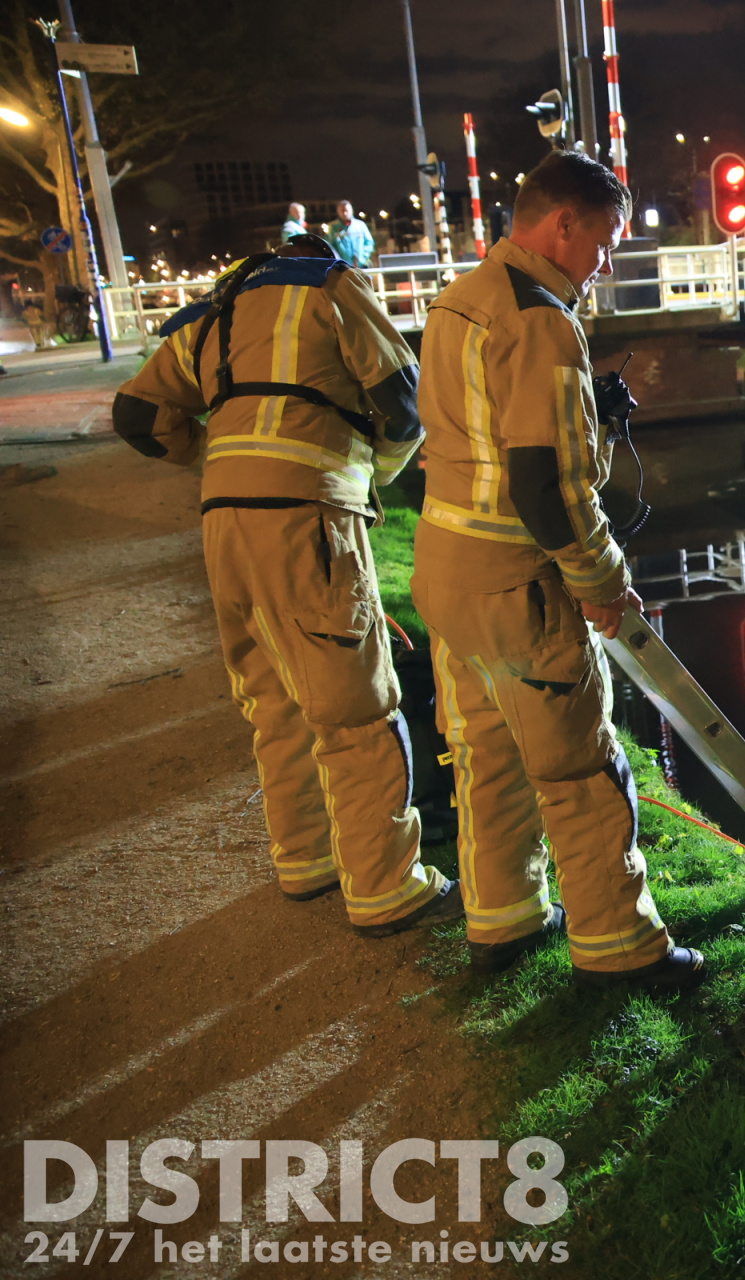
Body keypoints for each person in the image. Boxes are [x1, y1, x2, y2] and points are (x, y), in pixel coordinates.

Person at [109, 233, 460, 936]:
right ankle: (387, 885)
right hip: (308, 517)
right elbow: (404, 401)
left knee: (273, 698)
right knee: (356, 706)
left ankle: (305, 857)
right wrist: (372, 469)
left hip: (223, 524)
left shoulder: (214, 312)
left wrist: (216, 452)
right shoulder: (331, 287)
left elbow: (136, 415)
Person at [411, 150, 703, 989]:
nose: (606, 261)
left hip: (445, 572)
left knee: (486, 756)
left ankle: (501, 923)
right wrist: (603, 582)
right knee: (579, 767)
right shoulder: (540, 319)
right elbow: (548, 486)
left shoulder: (458, 300)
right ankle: (621, 947)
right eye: (605, 240)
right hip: (515, 582)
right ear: (562, 224)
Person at [329, 201, 375, 270]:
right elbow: (330, 246)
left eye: (346, 210)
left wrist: (363, 257)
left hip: (361, 266)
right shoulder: (333, 227)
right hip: (342, 268)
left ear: (351, 210)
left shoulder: (360, 225)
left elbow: (369, 243)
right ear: (338, 212)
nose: (345, 213)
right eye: (342, 210)